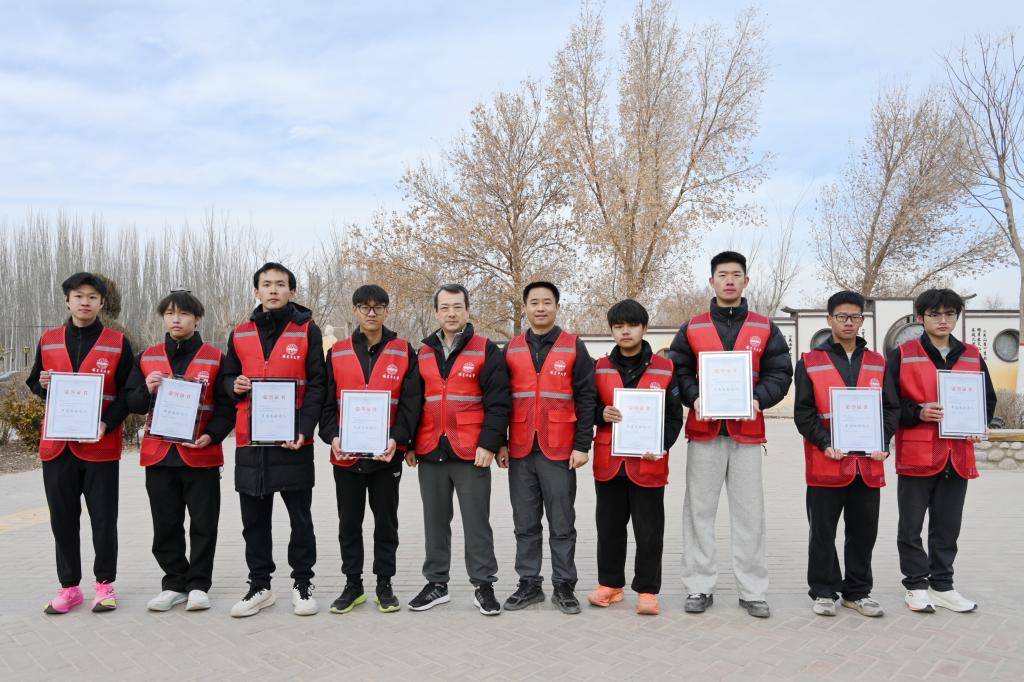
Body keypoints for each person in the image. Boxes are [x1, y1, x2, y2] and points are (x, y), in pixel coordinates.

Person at [668, 251, 793, 619]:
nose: (729, 281)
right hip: (704, 432)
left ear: (746, 281)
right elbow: (679, 370)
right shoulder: (692, 328)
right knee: (698, 512)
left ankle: (753, 591)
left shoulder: (764, 327)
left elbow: (780, 373)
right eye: (722, 275)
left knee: (750, 514)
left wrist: (758, 399)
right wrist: (694, 397)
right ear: (711, 281)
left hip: (747, 434)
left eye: (736, 275)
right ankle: (699, 586)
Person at [221, 262, 327, 618]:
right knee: (254, 521)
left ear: (291, 291)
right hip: (250, 442)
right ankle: (260, 586)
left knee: (300, 519)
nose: (273, 290)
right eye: (266, 284)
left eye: (280, 284)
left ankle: (302, 583)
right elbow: (227, 378)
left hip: (292, 441)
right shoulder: (240, 333)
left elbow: (318, 384)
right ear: (257, 291)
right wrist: (233, 385)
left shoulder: (307, 330)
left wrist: (304, 428)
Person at [26, 272, 134, 614]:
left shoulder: (117, 343)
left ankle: (104, 585)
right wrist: (44, 385)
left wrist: (107, 423)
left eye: (91, 296)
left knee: (103, 519)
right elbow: (35, 382)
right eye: (78, 296)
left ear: (102, 302)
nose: (84, 302)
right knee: (62, 519)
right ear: (67, 300)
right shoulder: (49, 340)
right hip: (57, 446)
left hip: (100, 445)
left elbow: (128, 394)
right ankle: (69, 587)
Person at [885, 288, 996, 614]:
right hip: (917, 454)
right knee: (911, 526)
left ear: (957, 317)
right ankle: (916, 585)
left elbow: (987, 399)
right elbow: (889, 403)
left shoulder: (972, 355)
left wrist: (980, 423)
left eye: (949, 313)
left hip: (957, 454)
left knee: (947, 526)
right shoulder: (904, 354)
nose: (943, 320)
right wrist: (917, 412)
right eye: (935, 314)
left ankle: (943, 585)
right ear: (921, 318)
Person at [124, 290, 234, 612]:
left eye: (184, 314)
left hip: (200, 454)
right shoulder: (146, 358)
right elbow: (131, 402)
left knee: (203, 523)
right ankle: (174, 582)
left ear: (196, 319)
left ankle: (198, 584)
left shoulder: (216, 358)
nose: (176, 319)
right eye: (170, 314)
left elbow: (227, 408)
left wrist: (212, 435)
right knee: (165, 524)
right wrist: (146, 388)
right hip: (159, 456)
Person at [407, 284, 511, 616]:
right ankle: (436, 584)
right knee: (435, 522)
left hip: (471, 452)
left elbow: (499, 402)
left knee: (476, 523)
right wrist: (410, 444)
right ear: (436, 312)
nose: (451, 313)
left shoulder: (485, 350)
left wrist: (490, 444)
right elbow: (413, 402)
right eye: (445, 308)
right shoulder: (423, 352)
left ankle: (484, 585)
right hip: (430, 450)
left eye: (457, 307)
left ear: (467, 310)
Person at [793, 290, 898, 618]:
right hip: (827, 460)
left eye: (854, 317)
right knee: (822, 531)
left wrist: (882, 441)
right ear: (830, 319)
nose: (848, 322)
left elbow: (891, 408)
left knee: (864, 531)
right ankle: (824, 590)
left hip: (867, 464)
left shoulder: (878, 362)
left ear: (862, 320)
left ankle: (857, 591)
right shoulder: (810, 361)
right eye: (842, 316)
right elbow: (803, 413)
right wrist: (825, 442)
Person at [319, 285, 422, 614]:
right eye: (364, 307)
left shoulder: (403, 351)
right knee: (348, 523)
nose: (372, 312)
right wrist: (333, 437)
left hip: (385, 456)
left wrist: (397, 439)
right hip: (345, 456)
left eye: (378, 307)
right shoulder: (337, 352)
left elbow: (411, 404)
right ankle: (353, 585)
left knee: (386, 523)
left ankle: (384, 584)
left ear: (387, 310)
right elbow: (326, 403)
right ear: (355, 311)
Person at [498, 281, 595, 615]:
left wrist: (582, 445)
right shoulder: (511, 349)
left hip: (560, 449)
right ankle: (529, 583)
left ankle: (564, 585)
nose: (541, 308)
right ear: (525, 307)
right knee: (525, 522)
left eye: (547, 302)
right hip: (521, 448)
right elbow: (500, 399)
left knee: (561, 521)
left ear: (557, 307)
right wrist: (500, 443)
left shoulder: (573, 346)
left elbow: (587, 397)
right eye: (534, 302)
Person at [587, 299, 683, 616]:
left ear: (645, 328)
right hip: (610, 463)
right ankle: (610, 585)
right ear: (612, 330)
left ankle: (647, 590)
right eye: (618, 326)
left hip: (648, 462)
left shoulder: (665, 368)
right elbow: (586, 407)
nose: (625, 331)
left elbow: (674, 417)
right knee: (609, 528)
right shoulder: (599, 368)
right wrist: (601, 413)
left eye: (631, 325)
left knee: (649, 531)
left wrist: (662, 444)